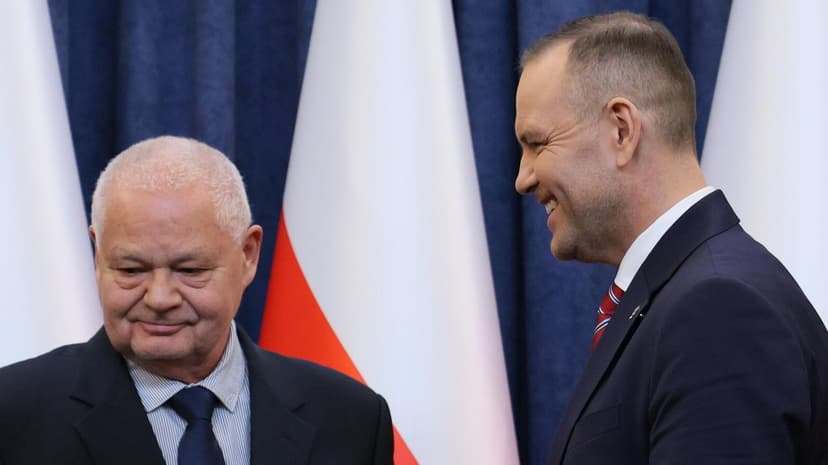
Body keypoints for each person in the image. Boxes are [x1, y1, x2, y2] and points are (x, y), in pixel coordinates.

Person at [514, 11, 828, 465]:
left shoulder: (717, 308)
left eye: (537, 143)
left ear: (622, 130)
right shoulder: (684, 293)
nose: (523, 179)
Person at [0, 136, 394, 465]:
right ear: (97, 253)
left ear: (248, 255)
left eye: (190, 270)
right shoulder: (13, 416)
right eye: (131, 269)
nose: (159, 298)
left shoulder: (351, 419)